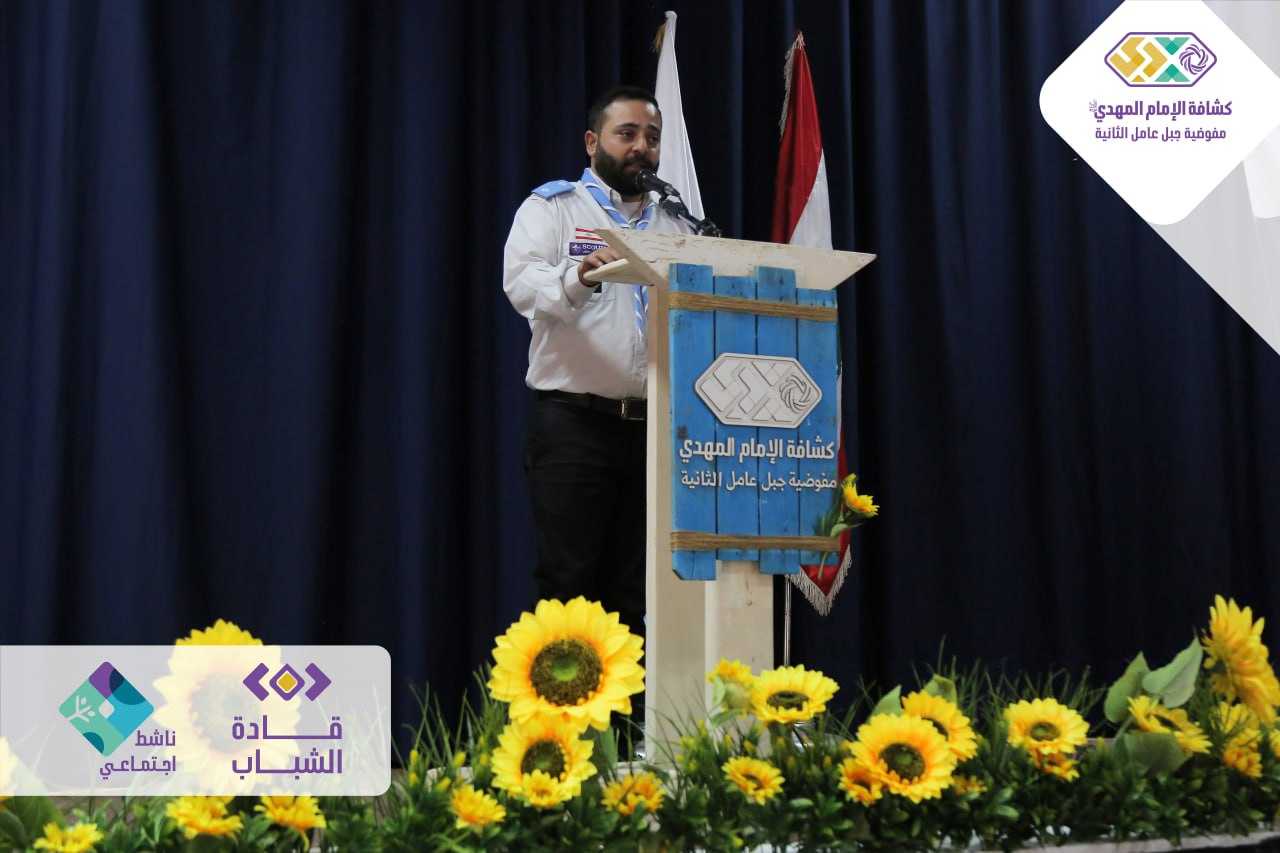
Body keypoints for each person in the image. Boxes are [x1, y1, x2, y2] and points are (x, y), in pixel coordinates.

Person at [503, 86, 693, 651]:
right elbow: (523, 285)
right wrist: (580, 276)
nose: (641, 147)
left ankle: (630, 710)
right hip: (575, 425)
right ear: (592, 142)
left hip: (653, 431)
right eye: (627, 134)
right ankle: (562, 708)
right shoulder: (553, 209)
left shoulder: (676, 224)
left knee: (637, 591)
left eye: (652, 137)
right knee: (569, 584)